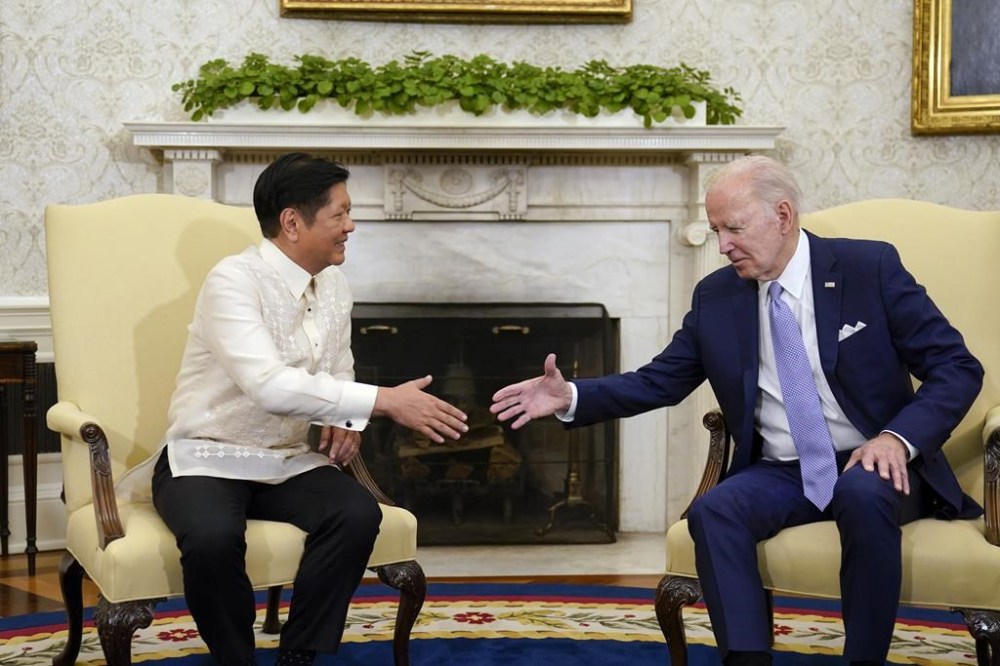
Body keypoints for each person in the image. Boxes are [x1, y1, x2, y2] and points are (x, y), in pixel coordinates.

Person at [489, 155, 983, 665]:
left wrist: (896, 439)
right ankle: (747, 660)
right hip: (785, 471)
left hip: (876, 461)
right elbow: (661, 380)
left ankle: (863, 659)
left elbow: (956, 366)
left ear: (784, 215)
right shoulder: (717, 295)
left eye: (734, 228)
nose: (722, 245)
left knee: (860, 491)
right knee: (714, 509)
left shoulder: (868, 268)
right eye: (715, 229)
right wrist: (571, 396)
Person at [119, 152, 469, 665]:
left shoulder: (334, 285)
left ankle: (299, 655)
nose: (352, 225)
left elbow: (338, 367)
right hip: (205, 456)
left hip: (283, 459)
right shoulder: (233, 281)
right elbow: (268, 385)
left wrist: (343, 420)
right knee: (213, 539)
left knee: (355, 514)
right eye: (340, 214)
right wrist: (384, 402)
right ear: (291, 222)